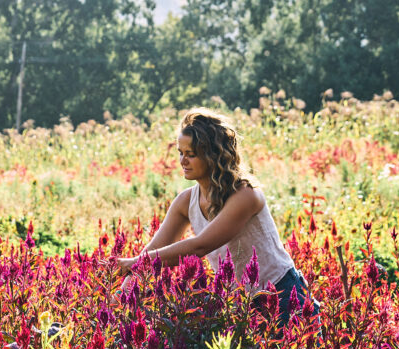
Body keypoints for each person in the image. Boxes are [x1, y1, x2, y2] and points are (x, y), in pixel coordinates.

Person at [115, 108, 318, 327]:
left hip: (283, 295)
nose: (183, 161)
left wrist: (136, 263)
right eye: (180, 152)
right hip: (240, 304)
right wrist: (120, 296)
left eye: (191, 154)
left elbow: (200, 246)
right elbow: (153, 252)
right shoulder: (185, 202)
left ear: (212, 155)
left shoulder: (246, 195)